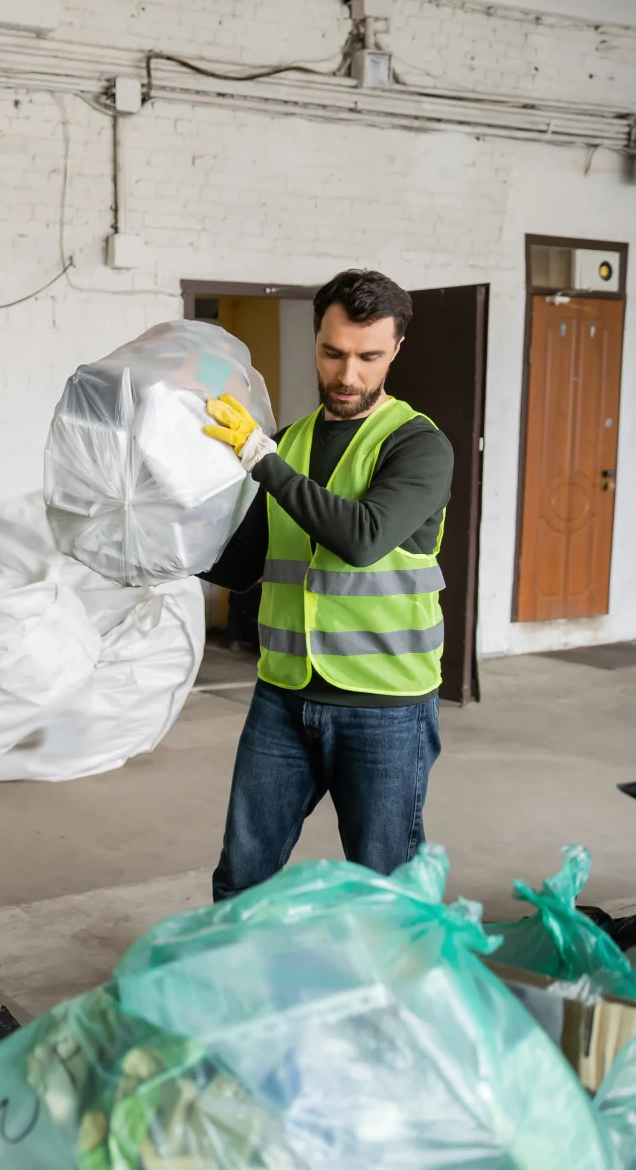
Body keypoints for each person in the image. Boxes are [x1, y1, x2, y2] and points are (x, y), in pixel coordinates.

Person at [199, 269, 454, 900]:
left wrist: (263, 464)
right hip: (283, 695)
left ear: (396, 350)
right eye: (333, 353)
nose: (348, 376)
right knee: (241, 878)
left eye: (369, 357)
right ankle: (236, 995)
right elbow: (239, 564)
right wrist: (157, 536)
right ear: (317, 340)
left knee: (386, 888)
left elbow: (363, 539)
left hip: (383, 705)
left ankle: (394, 999)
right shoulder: (291, 442)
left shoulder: (419, 447)